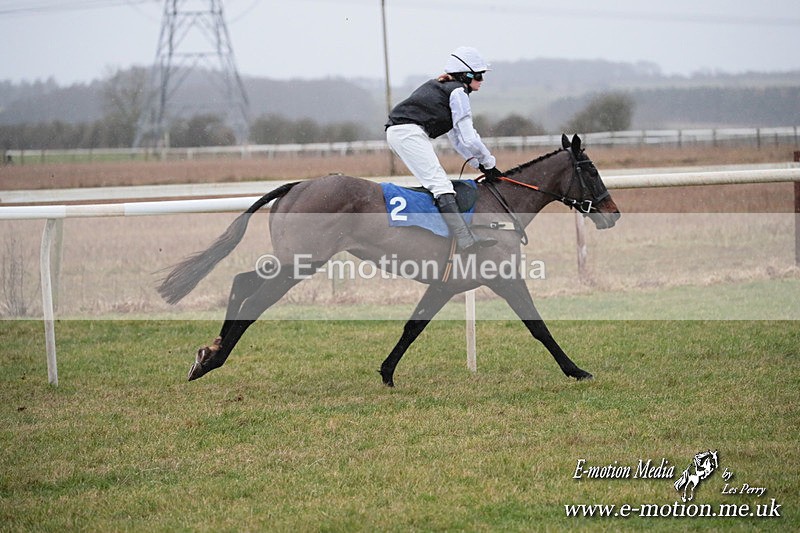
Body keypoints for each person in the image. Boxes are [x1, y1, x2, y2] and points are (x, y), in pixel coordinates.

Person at [385, 46, 502, 252]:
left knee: (437, 183)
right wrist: (489, 163)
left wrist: (478, 164)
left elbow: (457, 139)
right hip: (407, 132)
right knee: (440, 185)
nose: (482, 80)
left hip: (404, 132)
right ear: (465, 75)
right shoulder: (457, 92)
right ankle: (465, 239)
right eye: (479, 75)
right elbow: (469, 137)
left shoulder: (449, 88)